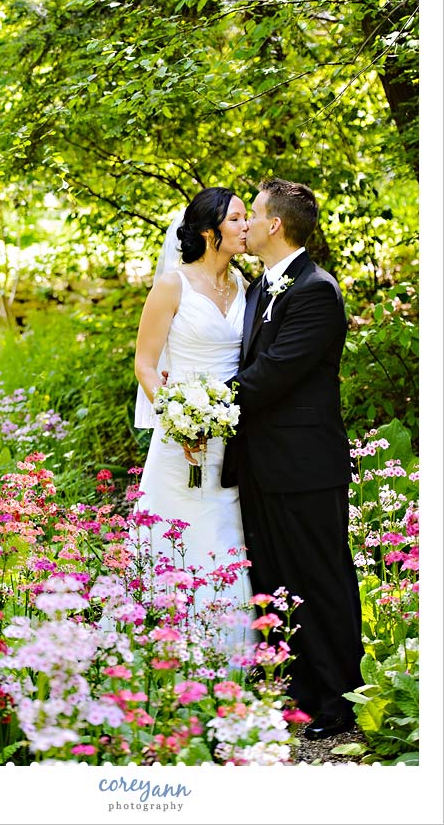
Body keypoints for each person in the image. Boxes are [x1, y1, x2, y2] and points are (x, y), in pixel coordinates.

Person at [221, 177, 364, 740]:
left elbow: (275, 372)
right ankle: (299, 696)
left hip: (306, 467)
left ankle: (341, 700)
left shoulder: (315, 290)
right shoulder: (260, 288)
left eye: (252, 214)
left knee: (320, 579)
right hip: (259, 465)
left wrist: (208, 401)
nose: (247, 223)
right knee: (277, 580)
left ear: (274, 225)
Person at [133, 186, 252, 628]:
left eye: (246, 218)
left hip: (232, 431)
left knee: (224, 532)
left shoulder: (243, 284)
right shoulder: (172, 284)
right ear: (208, 230)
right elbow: (145, 364)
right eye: (237, 219)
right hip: (181, 433)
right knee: (175, 530)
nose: (247, 226)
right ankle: (162, 638)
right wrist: (179, 422)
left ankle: (229, 649)